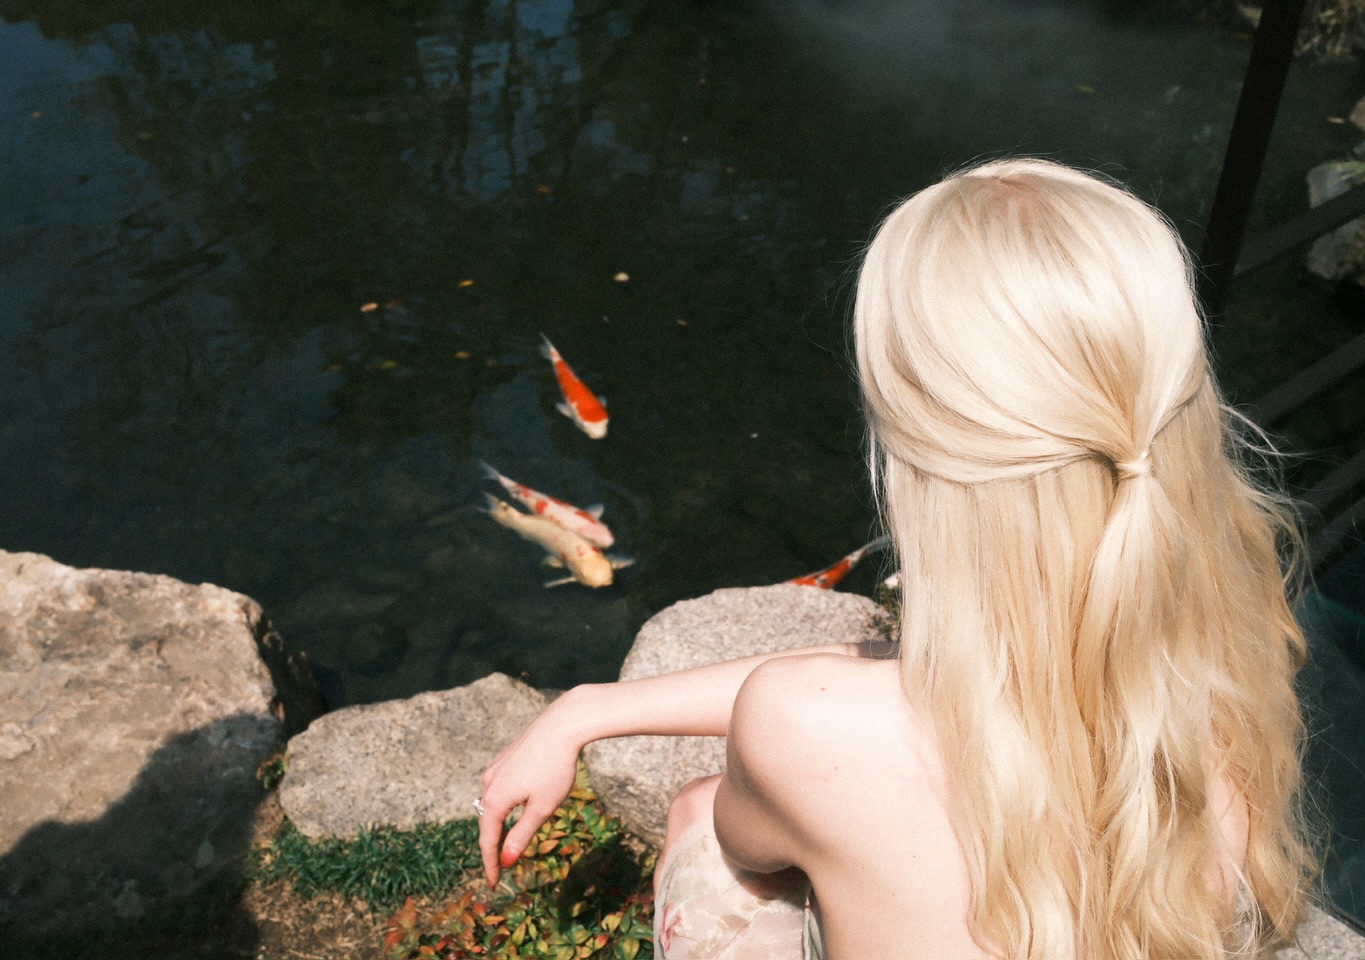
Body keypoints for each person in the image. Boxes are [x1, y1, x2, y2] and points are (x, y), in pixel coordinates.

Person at [478, 158, 1314, 959]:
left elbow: (763, 811)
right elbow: (944, 680)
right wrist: (587, 706)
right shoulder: (1232, 656)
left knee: (702, 814)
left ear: (909, 454)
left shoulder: (802, 725)